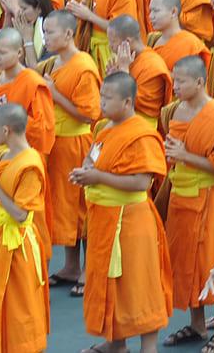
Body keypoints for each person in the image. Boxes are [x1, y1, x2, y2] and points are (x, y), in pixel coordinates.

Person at [70, 72, 173, 353]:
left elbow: (142, 182)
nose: (101, 102)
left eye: (108, 98)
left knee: (139, 284)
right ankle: (115, 342)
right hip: (105, 219)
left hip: (131, 221)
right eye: (101, 96)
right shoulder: (104, 130)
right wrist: (84, 173)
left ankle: (148, 347)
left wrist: (98, 178)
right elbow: (94, 161)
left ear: (127, 101)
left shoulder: (141, 135)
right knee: (109, 281)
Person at [158, 55, 214, 348]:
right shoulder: (175, 111)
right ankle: (197, 325)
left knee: (213, 262)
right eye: (174, 79)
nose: (175, 85)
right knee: (184, 262)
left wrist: (186, 157)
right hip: (181, 197)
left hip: (211, 200)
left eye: (180, 81)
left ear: (199, 81)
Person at [0, 103, 50, 353]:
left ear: (6, 130)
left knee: (18, 310)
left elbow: (21, 215)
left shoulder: (30, 165)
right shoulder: (1, 155)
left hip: (16, 246)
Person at [33, 11, 100, 296]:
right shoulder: (55, 62)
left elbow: (88, 115)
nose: (45, 37)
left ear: (69, 34)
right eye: (44, 32)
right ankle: (71, 265)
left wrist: (54, 93)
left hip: (76, 142)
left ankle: (87, 268)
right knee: (65, 208)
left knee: (80, 208)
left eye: (50, 32)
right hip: (56, 142)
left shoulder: (83, 66)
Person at [0, 28, 54, 157]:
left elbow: (44, 129)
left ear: (19, 52)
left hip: (23, 154)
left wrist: (11, 117)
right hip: (0, 149)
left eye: (2, 53)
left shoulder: (33, 83)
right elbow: (0, 109)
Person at [144, 0, 211, 71]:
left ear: (173, 12)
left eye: (156, 11)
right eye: (150, 11)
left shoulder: (191, 44)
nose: (151, 16)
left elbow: (195, 79)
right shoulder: (152, 39)